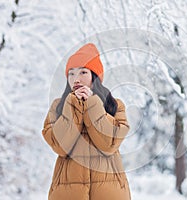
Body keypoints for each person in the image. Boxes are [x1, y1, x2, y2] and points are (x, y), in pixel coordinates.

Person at [42, 43, 131, 200]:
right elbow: (61, 146)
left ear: (94, 76)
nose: (76, 79)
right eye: (71, 73)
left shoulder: (115, 105)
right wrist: (72, 105)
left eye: (83, 72)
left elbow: (109, 144)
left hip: (110, 192)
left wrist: (92, 105)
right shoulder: (58, 106)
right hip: (67, 193)